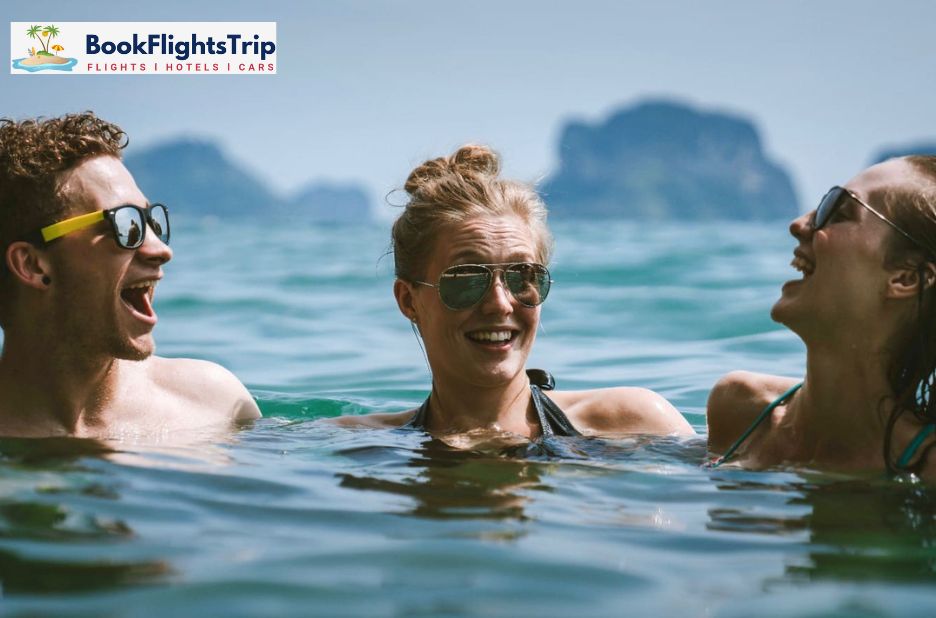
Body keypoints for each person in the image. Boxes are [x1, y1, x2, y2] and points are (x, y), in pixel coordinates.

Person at [334, 144, 693, 439]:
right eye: (466, 278)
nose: (500, 303)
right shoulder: (362, 443)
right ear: (408, 300)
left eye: (523, 276)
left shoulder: (630, 424)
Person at [0, 112, 260, 438]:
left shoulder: (214, 404)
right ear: (32, 265)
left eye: (152, 221)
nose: (161, 250)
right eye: (125, 224)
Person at [707, 156, 936, 478]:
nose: (799, 224)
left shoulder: (927, 468)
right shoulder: (740, 410)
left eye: (838, 213)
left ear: (906, 278)